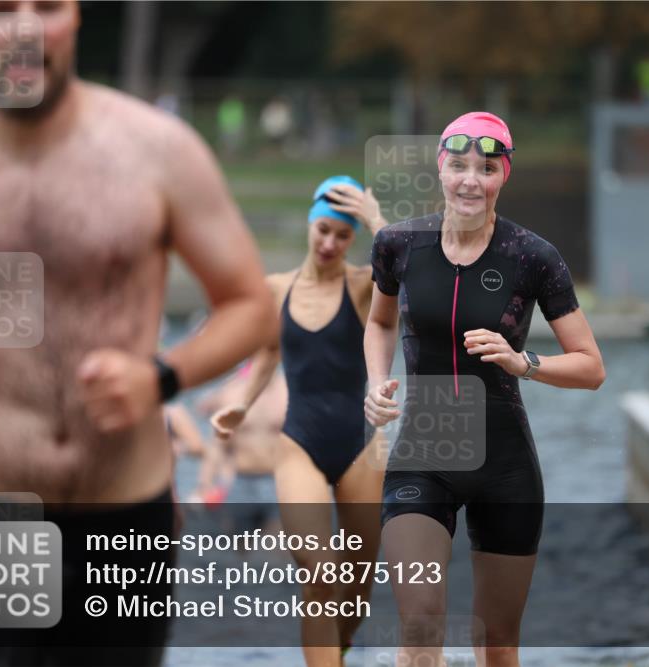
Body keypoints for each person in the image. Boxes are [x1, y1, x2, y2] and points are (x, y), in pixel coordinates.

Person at [0, 1, 274, 665]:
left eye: (47, 6)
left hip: (119, 518)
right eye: (0, 8)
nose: (24, 27)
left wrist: (162, 376)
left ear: (76, 18)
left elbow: (248, 302)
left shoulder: (157, 151)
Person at [364, 112, 605, 667]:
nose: (471, 179)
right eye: (459, 165)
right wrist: (376, 384)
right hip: (422, 455)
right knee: (421, 628)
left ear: (504, 176)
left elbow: (592, 368)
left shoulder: (533, 257)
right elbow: (378, 323)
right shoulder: (397, 245)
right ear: (441, 168)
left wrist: (525, 363)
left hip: (505, 464)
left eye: (487, 168)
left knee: (495, 644)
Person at [214, 175, 388, 666]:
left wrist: (376, 220)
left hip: (361, 445)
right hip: (299, 441)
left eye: (342, 234)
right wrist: (243, 404)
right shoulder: (276, 290)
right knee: (319, 569)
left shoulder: (360, 287)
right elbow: (269, 352)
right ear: (311, 225)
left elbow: (410, 272)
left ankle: (342, 646)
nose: (331, 243)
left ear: (353, 237)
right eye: (324, 230)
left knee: (357, 579)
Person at [205, 362, 286, 532]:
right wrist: (206, 483)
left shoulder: (288, 392)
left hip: (278, 480)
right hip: (240, 480)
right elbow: (218, 445)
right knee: (237, 547)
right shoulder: (231, 395)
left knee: (277, 547)